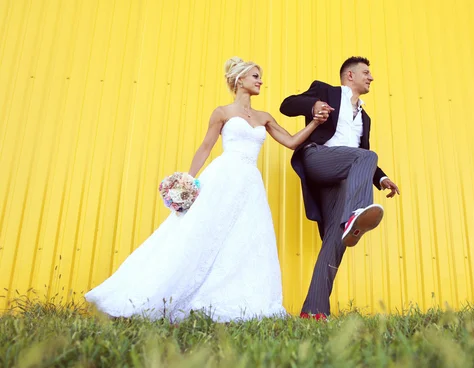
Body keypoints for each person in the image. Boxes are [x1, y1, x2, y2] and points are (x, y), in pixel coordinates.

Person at [85, 57, 326, 322]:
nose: (260, 80)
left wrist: (314, 123)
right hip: (223, 177)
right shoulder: (222, 113)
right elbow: (205, 148)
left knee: (247, 238)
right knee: (197, 234)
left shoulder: (264, 117)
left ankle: (236, 301)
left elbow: (291, 142)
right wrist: (186, 182)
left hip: (250, 183)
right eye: (255, 76)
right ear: (239, 80)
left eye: (260, 76)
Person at [279, 56, 400, 320]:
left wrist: (381, 179)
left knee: (335, 242)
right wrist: (313, 105)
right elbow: (286, 105)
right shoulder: (326, 92)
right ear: (350, 76)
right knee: (367, 158)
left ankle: (314, 311)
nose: (371, 77)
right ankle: (355, 214)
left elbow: (359, 153)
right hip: (318, 158)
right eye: (366, 73)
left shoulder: (365, 117)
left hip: (340, 175)